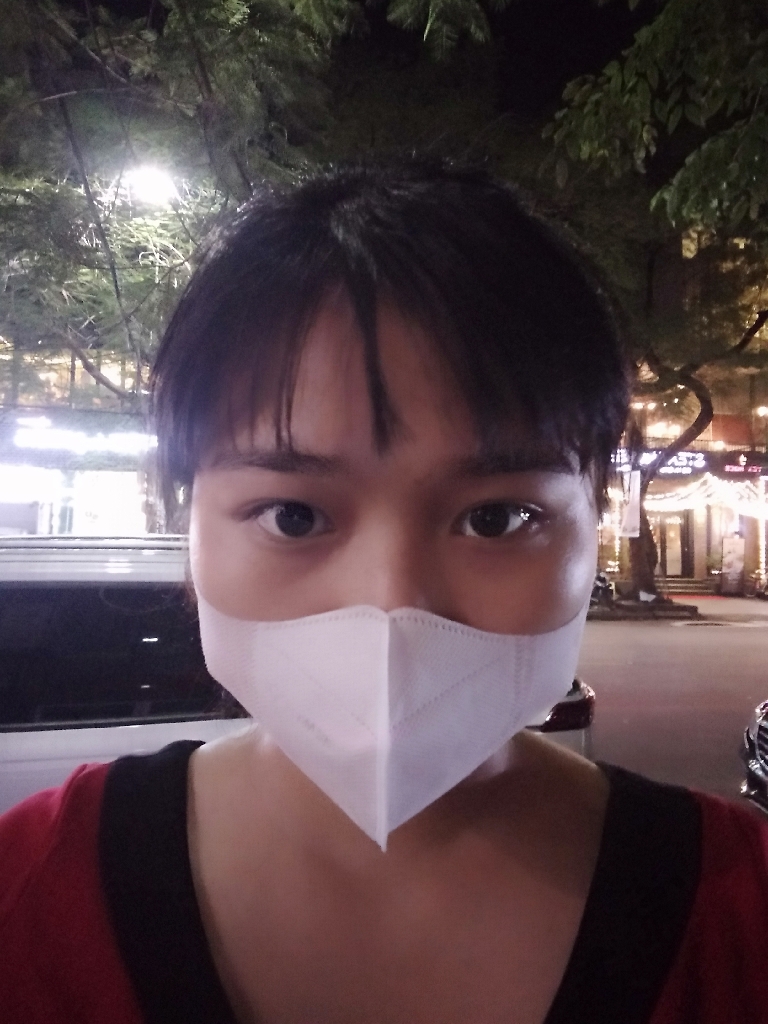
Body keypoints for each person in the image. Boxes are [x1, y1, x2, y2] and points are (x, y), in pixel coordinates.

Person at [1, 161, 767, 1024]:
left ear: (596, 523)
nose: (393, 605)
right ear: (190, 526)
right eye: (293, 515)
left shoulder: (742, 910)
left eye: (495, 519)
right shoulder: (29, 889)